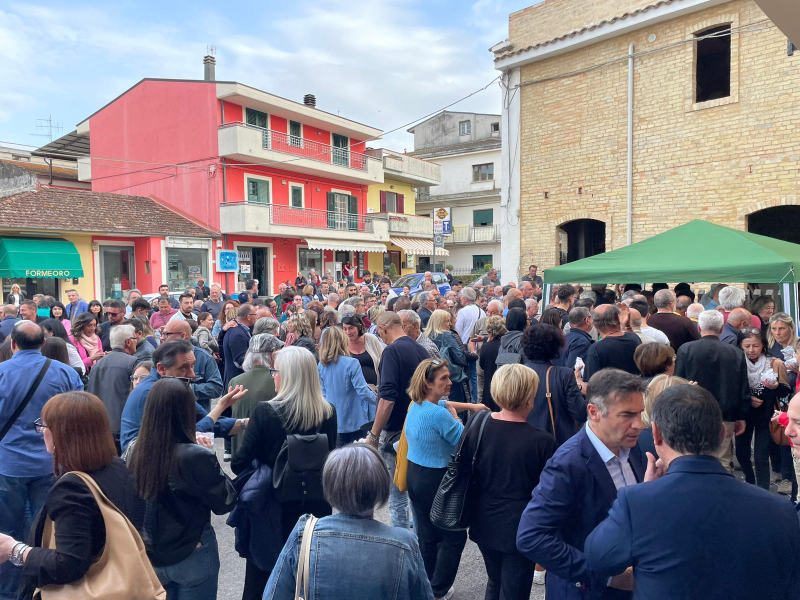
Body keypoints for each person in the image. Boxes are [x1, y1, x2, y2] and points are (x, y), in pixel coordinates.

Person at [584, 384, 800, 600]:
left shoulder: (637, 502)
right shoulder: (781, 511)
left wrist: (645, 490)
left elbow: (598, 557)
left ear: (656, 434)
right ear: (722, 433)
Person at [516, 369, 649, 600]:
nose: (638, 424)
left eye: (640, 413)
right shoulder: (568, 463)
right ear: (594, 412)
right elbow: (531, 536)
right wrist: (605, 576)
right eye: (627, 415)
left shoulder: (632, 446)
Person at [0, 391, 143, 599]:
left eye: (44, 426)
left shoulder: (72, 488)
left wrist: (15, 550)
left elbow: (69, 563)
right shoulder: (118, 467)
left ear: (62, 434)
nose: (41, 432)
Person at [231, 346, 337, 599]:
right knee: (309, 574)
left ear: (288, 375)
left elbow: (238, 463)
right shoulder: (328, 411)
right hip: (316, 506)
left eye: (275, 371)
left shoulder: (265, 412)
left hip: (271, 506)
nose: (272, 376)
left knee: (263, 576)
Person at [265, 444, 434, 598]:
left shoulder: (305, 534)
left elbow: (273, 595)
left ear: (329, 486)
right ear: (381, 486)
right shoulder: (404, 543)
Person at [128, 378, 237, 600]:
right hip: (192, 549)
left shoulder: (133, 450)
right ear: (186, 411)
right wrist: (212, 457)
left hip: (150, 552)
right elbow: (226, 501)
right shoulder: (194, 455)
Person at [0, 322, 84, 599]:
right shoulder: (64, 372)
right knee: (44, 531)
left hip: (7, 464)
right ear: (43, 344)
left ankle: (11, 592)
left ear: (13, 343)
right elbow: (80, 414)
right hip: (51, 463)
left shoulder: (1, 373)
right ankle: (39, 587)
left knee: (6, 533)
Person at [465, 364, 556, 600]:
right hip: (520, 527)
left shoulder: (478, 425)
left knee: (494, 581)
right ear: (529, 397)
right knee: (515, 590)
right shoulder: (542, 441)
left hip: (483, 518)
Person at [404, 358, 487, 600]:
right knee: (454, 535)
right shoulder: (440, 416)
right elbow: (466, 443)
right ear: (428, 383)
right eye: (444, 379)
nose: (450, 382)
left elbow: (444, 402)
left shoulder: (417, 405)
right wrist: (459, 418)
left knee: (427, 534)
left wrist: (471, 407)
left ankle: (426, 583)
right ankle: (438, 589)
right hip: (437, 479)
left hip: (415, 474)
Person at [365, 312, 429, 529]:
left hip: (395, 433)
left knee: (397, 492)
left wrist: (374, 435)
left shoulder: (391, 351)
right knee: (414, 492)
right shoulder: (420, 349)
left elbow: (387, 399)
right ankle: (419, 543)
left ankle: (402, 542)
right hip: (418, 427)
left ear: (382, 328)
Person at [119, 339, 235, 451]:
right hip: (146, 466)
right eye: (184, 367)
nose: (192, 375)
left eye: (193, 365)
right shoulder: (154, 392)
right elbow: (187, 433)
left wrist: (246, 423)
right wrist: (221, 406)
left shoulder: (172, 388)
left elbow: (208, 421)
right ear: (162, 369)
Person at [676, 310, 750, 473]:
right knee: (723, 459)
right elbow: (743, 386)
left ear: (699, 327)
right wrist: (741, 416)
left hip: (692, 411)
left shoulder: (686, 350)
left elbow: (678, 382)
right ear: (722, 328)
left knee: (692, 455)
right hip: (726, 413)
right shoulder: (735, 353)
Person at [736, 327, 790, 490]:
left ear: (763, 346)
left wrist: (775, 387)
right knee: (742, 453)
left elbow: (785, 391)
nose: (751, 350)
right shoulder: (737, 363)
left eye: (755, 346)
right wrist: (747, 399)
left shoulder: (774, 363)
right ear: (741, 346)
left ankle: (763, 489)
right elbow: (732, 388)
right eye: (747, 346)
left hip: (766, 416)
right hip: (743, 415)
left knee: (761, 456)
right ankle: (750, 481)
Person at [521, 324, 586, 446]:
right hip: (557, 441)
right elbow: (580, 412)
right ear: (556, 347)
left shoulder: (517, 372)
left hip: (524, 439)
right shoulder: (564, 375)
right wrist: (580, 386)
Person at [318, 326, 377, 446]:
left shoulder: (321, 365)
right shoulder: (351, 363)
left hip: (334, 418)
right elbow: (363, 392)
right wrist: (378, 401)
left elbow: (323, 394)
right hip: (356, 419)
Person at [228, 333, 283, 457]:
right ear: (272, 354)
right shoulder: (278, 379)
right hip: (266, 454)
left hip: (240, 451)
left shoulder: (235, 381)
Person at [86, 324, 139, 452]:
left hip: (100, 425)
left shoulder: (98, 365)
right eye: (135, 338)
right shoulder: (133, 362)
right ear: (128, 342)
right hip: (122, 426)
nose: (137, 341)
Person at [767, 312, 799, 494]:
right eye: (774, 329)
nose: (777, 332)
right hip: (776, 398)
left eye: (781, 328)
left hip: (795, 397)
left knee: (790, 437)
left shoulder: (797, 346)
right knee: (775, 435)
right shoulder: (771, 348)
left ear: (790, 328)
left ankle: (788, 476)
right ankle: (777, 469)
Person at [425, 309, 475, 404]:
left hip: (432, 377)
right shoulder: (447, 335)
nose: (450, 324)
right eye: (447, 321)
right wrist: (470, 355)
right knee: (457, 407)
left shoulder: (426, 336)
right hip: (451, 377)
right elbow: (460, 358)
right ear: (440, 322)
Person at [582, 304, 642, 382]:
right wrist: (626, 326)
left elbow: (591, 386)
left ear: (595, 323)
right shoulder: (634, 338)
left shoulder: (596, 349)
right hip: (636, 390)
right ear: (617, 318)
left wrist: (579, 383)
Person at [342, 315, 383, 389]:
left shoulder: (371, 339)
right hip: (352, 390)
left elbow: (383, 360)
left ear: (359, 327)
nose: (348, 332)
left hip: (375, 388)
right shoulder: (341, 344)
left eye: (351, 328)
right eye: (345, 329)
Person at [223, 304, 257, 389]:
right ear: (248, 317)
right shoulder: (238, 334)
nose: (257, 316)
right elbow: (240, 361)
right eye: (255, 314)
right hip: (237, 383)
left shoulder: (239, 330)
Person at [477, 315, 506, 409]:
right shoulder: (506, 346)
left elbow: (482, 365)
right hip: (504, 387)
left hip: (490, 388)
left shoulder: (486, 347)